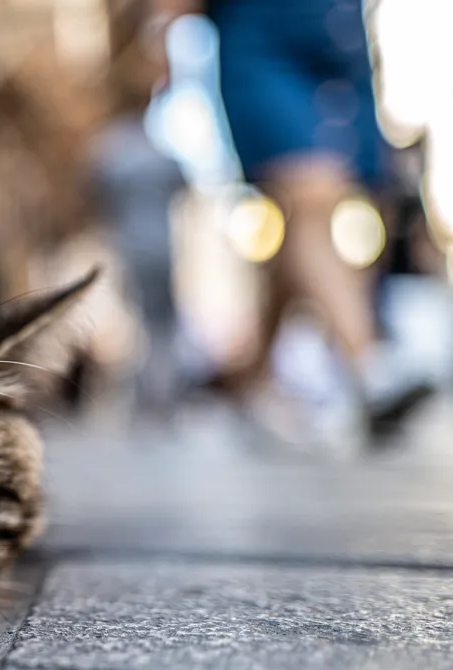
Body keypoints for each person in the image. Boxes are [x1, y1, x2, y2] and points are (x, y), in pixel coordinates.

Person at [151, 0, 433, 453]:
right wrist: (162, 30)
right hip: (262, 39)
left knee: (334, 206)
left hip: (341, 34)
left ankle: (253, 381)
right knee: (311, 197)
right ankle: (370, 366)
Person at [89, 1, 189, 425]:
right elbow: (184, 185)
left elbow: (93, 192)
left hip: (126, 245)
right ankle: (158, 395)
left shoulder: (107, 150)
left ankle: (136, 394)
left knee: (133, 322)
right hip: (161, 245)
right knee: (160, 323)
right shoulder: (162, 152)